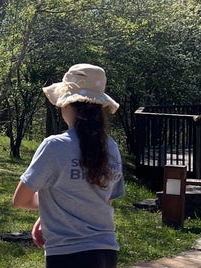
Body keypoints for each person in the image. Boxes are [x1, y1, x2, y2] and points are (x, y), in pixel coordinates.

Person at [12, 63, 125, 268]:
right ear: (100, 107)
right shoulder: (111, 147)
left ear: (67, 104)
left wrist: (51, 208)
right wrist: (56, 206)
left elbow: (20, 199)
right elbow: (105, 201)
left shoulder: (54, 146)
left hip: (68, 255)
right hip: (107, 252)